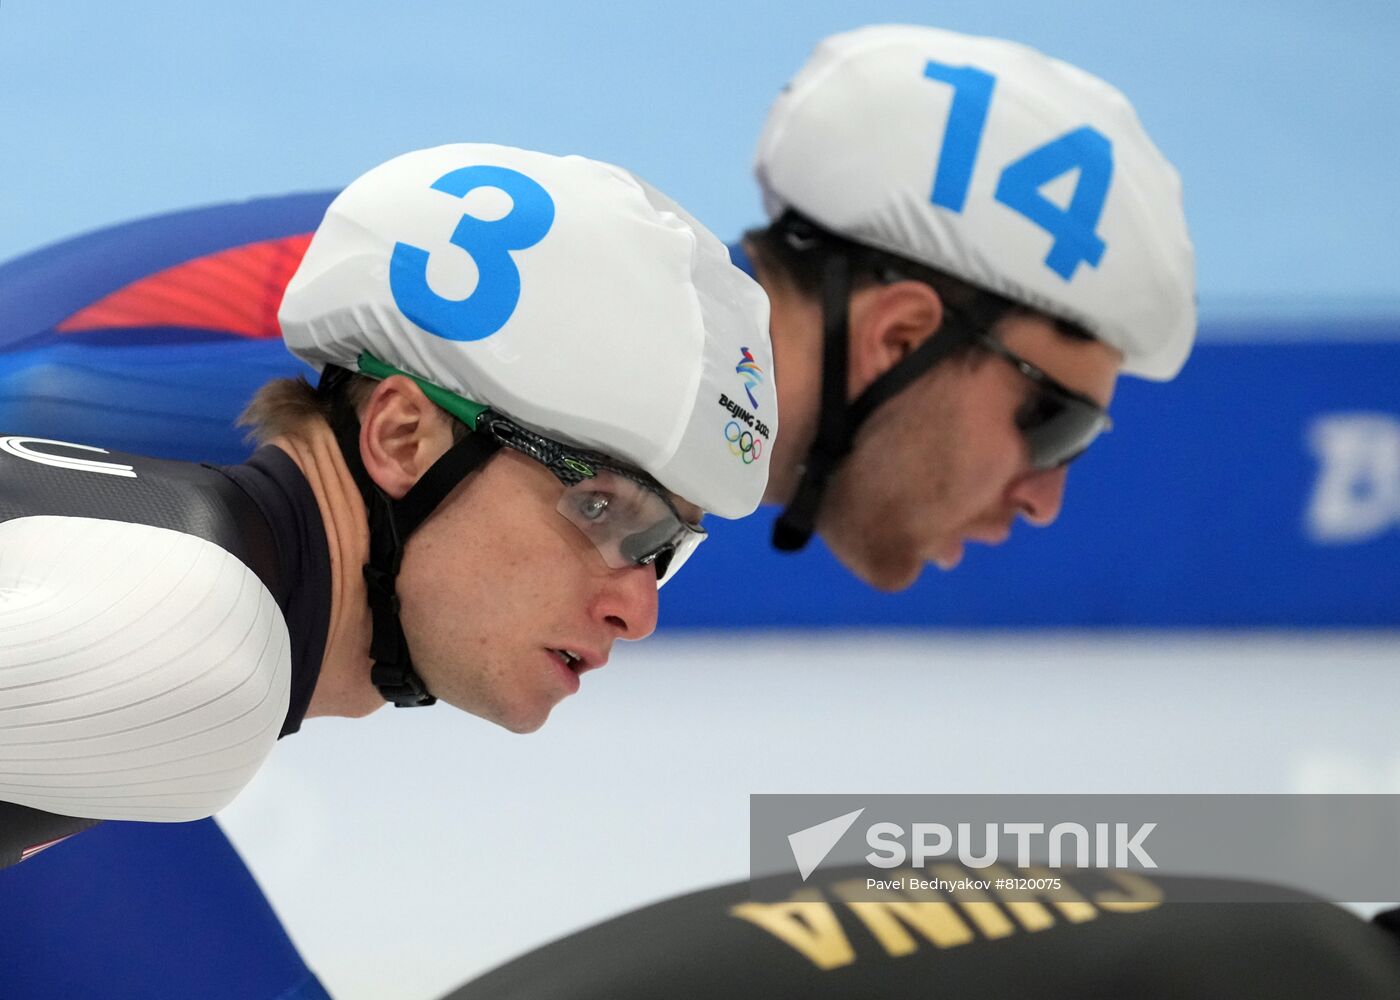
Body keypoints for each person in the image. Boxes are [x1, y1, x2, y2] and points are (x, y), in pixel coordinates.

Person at [0, 142, 775, 868]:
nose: (639, 612)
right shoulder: (202, 651)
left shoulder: (174, 582)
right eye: (602, 510)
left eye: (662, 551)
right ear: (403, 439)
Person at [734, 24, 1195, 589]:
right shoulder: (604, 466)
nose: (1044, 504)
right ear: (900, 336)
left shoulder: (632, 470)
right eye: (1056, 425)